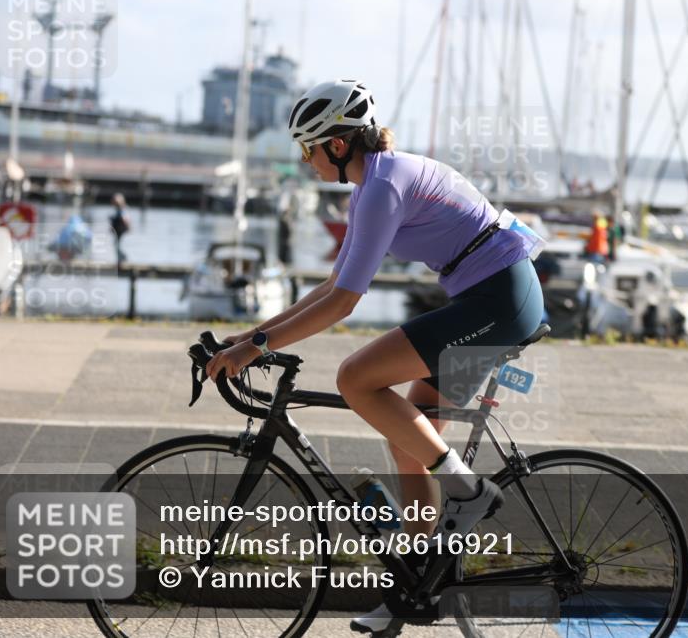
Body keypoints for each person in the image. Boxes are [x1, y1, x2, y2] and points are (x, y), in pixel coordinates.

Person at [205, 79, 544, 633]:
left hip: (500, 300)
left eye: (306, 148)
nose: (304, 160)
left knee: (355, 378)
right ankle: (415, 593)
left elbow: (344, 301)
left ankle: (468, 488)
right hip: (486, 298)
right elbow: (331, 283)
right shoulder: (369, 187)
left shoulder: (384, 185)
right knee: (410, 438)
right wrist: (248, 338)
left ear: (337, 145)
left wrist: (259, 347)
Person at [108, 193, 130, 266]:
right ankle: (120, 259)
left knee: (116, 245)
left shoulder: (121, 209)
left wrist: (128, 227)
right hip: (118, 229)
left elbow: (125, 219)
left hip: (120, 229)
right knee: (116, 245)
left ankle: (122, 258)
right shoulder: (118, 209)